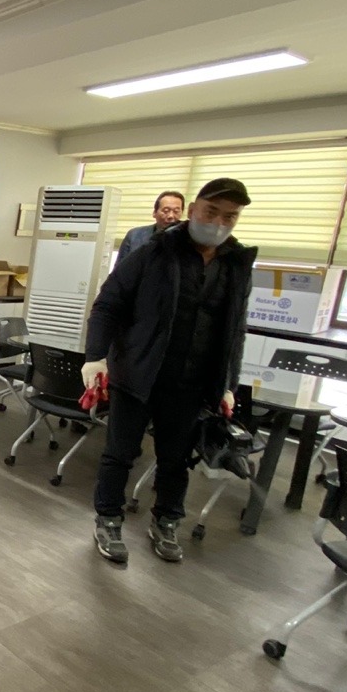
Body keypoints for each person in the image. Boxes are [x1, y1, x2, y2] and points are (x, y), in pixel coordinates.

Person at [81, 177, 256, 565]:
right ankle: (108, 519)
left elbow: (235, 329)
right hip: (137, 373)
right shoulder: (153, 252)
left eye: (230, 216)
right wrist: (96, 357)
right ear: (193, 210)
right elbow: (108, 304)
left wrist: (228, 383)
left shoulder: (236, 264)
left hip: (192, 383)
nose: (218, 222)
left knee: (176, 460)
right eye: (211, 212)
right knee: (120, 454)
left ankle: (166, 521)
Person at [118, 191, 185, 258]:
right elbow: (121, 264)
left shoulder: (187, 240)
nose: (171, 216)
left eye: (176, 211)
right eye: (166, 211)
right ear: (154, 213)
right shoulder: (134, 235)